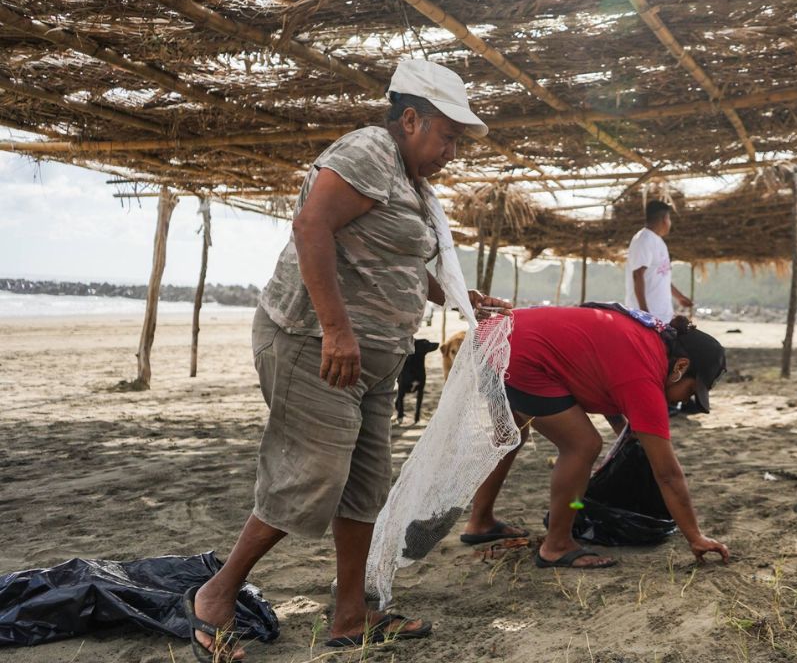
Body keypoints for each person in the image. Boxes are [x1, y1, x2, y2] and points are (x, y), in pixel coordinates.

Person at [185, 60, 510, 660]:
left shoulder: (411, 181)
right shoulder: (368, 152)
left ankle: (353, 615)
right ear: (410, 119)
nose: (451, 152)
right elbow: (312, 226)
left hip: (373, 360)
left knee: (365, 486)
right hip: (315, 345)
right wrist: (337, 331)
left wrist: (459, 298)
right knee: (313, 477)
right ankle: (216, 594)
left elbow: (396, 260)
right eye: (447, 136)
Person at [462, 304, 731, 569]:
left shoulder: (650, 340)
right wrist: (695, 537)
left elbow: (602, 374)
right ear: (680, 367)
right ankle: (557, 546)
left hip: (498, 335)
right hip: (521, 353)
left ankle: (480, 521)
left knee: (510, 435)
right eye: (690, 391)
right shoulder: (646, 375)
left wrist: (622, 429)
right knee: (583, 445)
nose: (685, 400)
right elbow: (668, 475)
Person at [625, 200, 693, 322]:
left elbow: (662, 276)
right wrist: (644, 312)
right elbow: (637, 275)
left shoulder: (659, 242)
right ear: (665, 219)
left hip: (662, 315)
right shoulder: (643, 239)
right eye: (669, 218)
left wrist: (679, 297)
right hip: (647, 316)